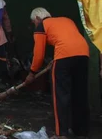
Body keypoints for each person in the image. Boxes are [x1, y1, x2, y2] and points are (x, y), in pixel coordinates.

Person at [24, 8, 90, 138]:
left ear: (37, 18)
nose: (34, 25)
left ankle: (61, 133)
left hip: (64, 57)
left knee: (61, 95)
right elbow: (68, 40)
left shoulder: (41, 26)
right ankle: (81, 131)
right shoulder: (67, 20)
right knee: (80, 94)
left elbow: (38, 55)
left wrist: (32, 72)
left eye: (33, 22)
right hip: (83, 55)